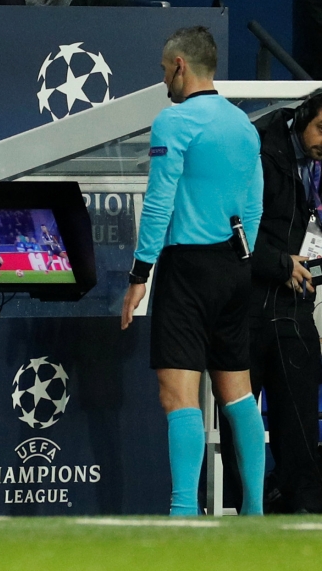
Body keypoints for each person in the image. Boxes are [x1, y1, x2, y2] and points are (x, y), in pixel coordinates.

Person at [120, 26, 266, 516]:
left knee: (177, 394)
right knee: (237, 390)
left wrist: (140, 274)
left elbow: (159, 200)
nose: (164, 81)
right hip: (235, 268)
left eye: (165, 71)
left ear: (180, 65)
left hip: (187, 269)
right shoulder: (244, 126)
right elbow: (254, 202)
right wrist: (242, 259)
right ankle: (256, 513)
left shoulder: (174, 121)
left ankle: (182, 515)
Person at [237, 87, 322, 514]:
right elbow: (229, 224)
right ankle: (239, 515)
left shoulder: (319, 164)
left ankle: (304, 520)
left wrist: (302, 267)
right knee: (240, 421)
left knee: (301, 425)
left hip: (293, 306)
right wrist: (278, 263)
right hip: (247, 306)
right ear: (303, 117)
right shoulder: (255, 147)